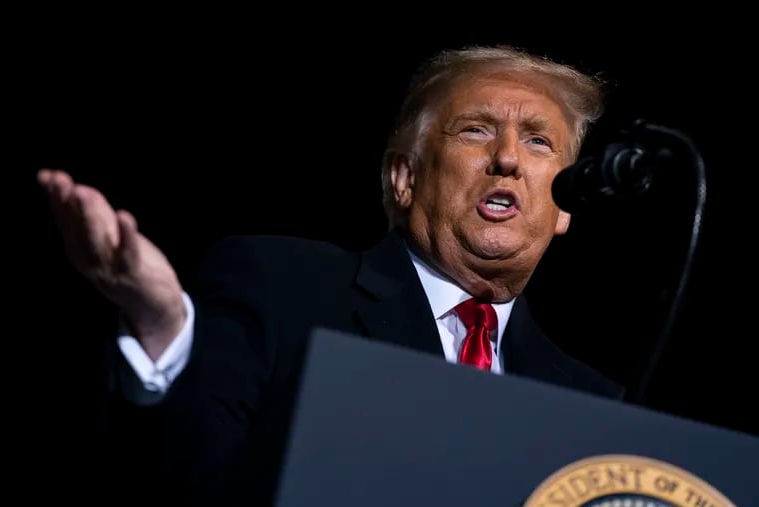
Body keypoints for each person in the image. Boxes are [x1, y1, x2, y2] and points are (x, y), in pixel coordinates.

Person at [38, 44, 623, 505]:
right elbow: (186, 476)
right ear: (404, 178)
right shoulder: (279, 286)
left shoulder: (597, 406)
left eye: (539, 141)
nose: (509, 159)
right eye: (475, 129)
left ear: (565, 206)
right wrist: (162, 327)